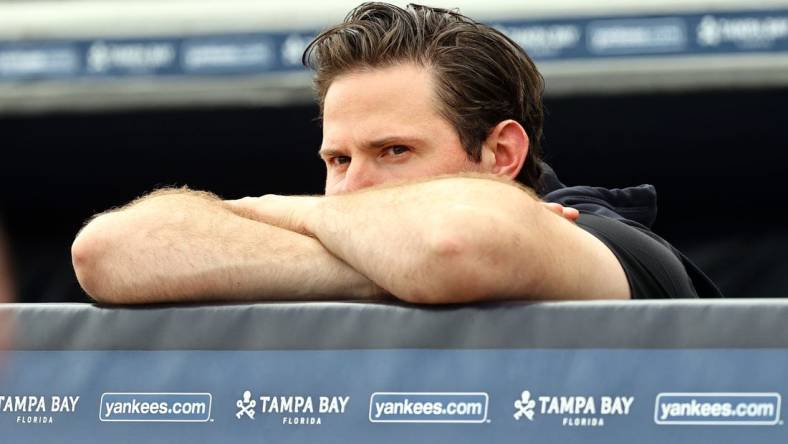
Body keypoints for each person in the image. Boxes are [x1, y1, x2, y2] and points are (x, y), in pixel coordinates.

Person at [70, 3, 721, 304]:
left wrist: (267, 221)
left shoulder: (619, 243)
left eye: (394, 150)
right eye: (338, 160)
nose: (351, 190)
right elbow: (107, 252)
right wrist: (383, 264)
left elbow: (453, 247)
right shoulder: (347, 231)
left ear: (501, 154)